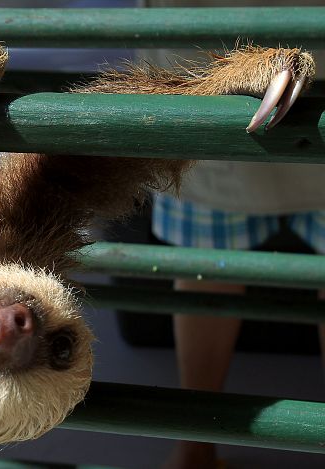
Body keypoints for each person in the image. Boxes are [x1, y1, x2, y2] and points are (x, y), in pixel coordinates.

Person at [142, 2, 325, 468]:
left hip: (206, 69)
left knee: (206, 274)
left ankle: (194, 450)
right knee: (206, 273)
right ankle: (194, 449)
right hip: (209, 79)